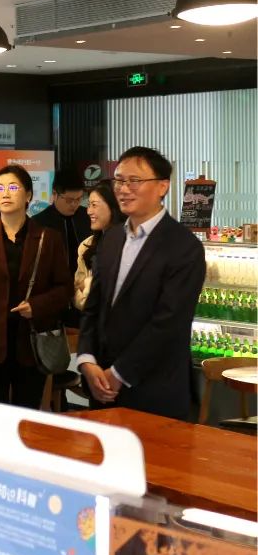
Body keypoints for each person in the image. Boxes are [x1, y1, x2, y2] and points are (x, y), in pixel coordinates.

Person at [77, 147, 205, 420]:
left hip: (155, 392)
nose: (124, 189)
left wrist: (119, 373)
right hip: (101, 387)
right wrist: (87, 359)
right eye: (119, 180)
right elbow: (93, 307)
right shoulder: (112, 239)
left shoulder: (184, 247)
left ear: (162, 186)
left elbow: (168, 323)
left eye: (134, 181)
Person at [0, 164, 71, 424]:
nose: (5, 193)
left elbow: (65, 289)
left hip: (30, 344)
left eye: (13, 187)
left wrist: (37, 305)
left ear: (28, 195)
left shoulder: (48, 238)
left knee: (26, 419)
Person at [33, 169, 92, 327]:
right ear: (55, 194)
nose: (74, 204)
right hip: (54, 298)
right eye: (69, 200)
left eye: (79, 199)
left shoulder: (88, 218)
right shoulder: (39, 223)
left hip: (85, 294)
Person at [74, 181, 122, 311]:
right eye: (88, 205)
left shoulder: (130, 244)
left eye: (94, 205)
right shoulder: (86, 245)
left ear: (113, 206)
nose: (89, 211)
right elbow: (77, 293)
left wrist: (87, 285)